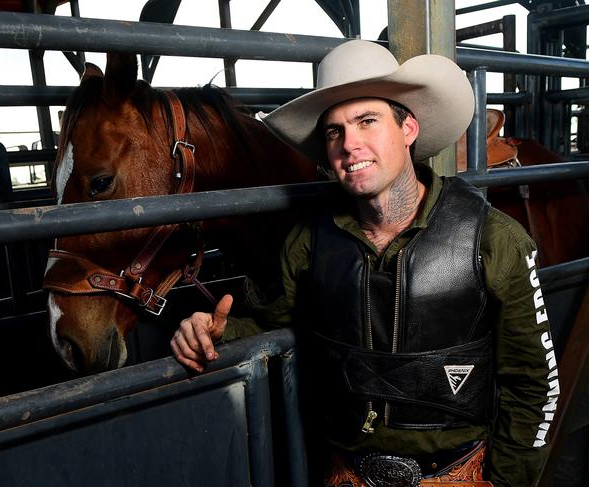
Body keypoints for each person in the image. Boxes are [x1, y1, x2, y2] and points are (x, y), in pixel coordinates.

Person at [170, 40, 558, 487]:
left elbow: (534, 383)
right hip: (344, 476)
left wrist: (508, 483)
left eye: (366, 121)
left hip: (456, 476)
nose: (349, 144)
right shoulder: (309, 241)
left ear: (408, 128)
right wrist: (211, 329)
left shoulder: (494, 239)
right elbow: (273, 326)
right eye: (335, 131)